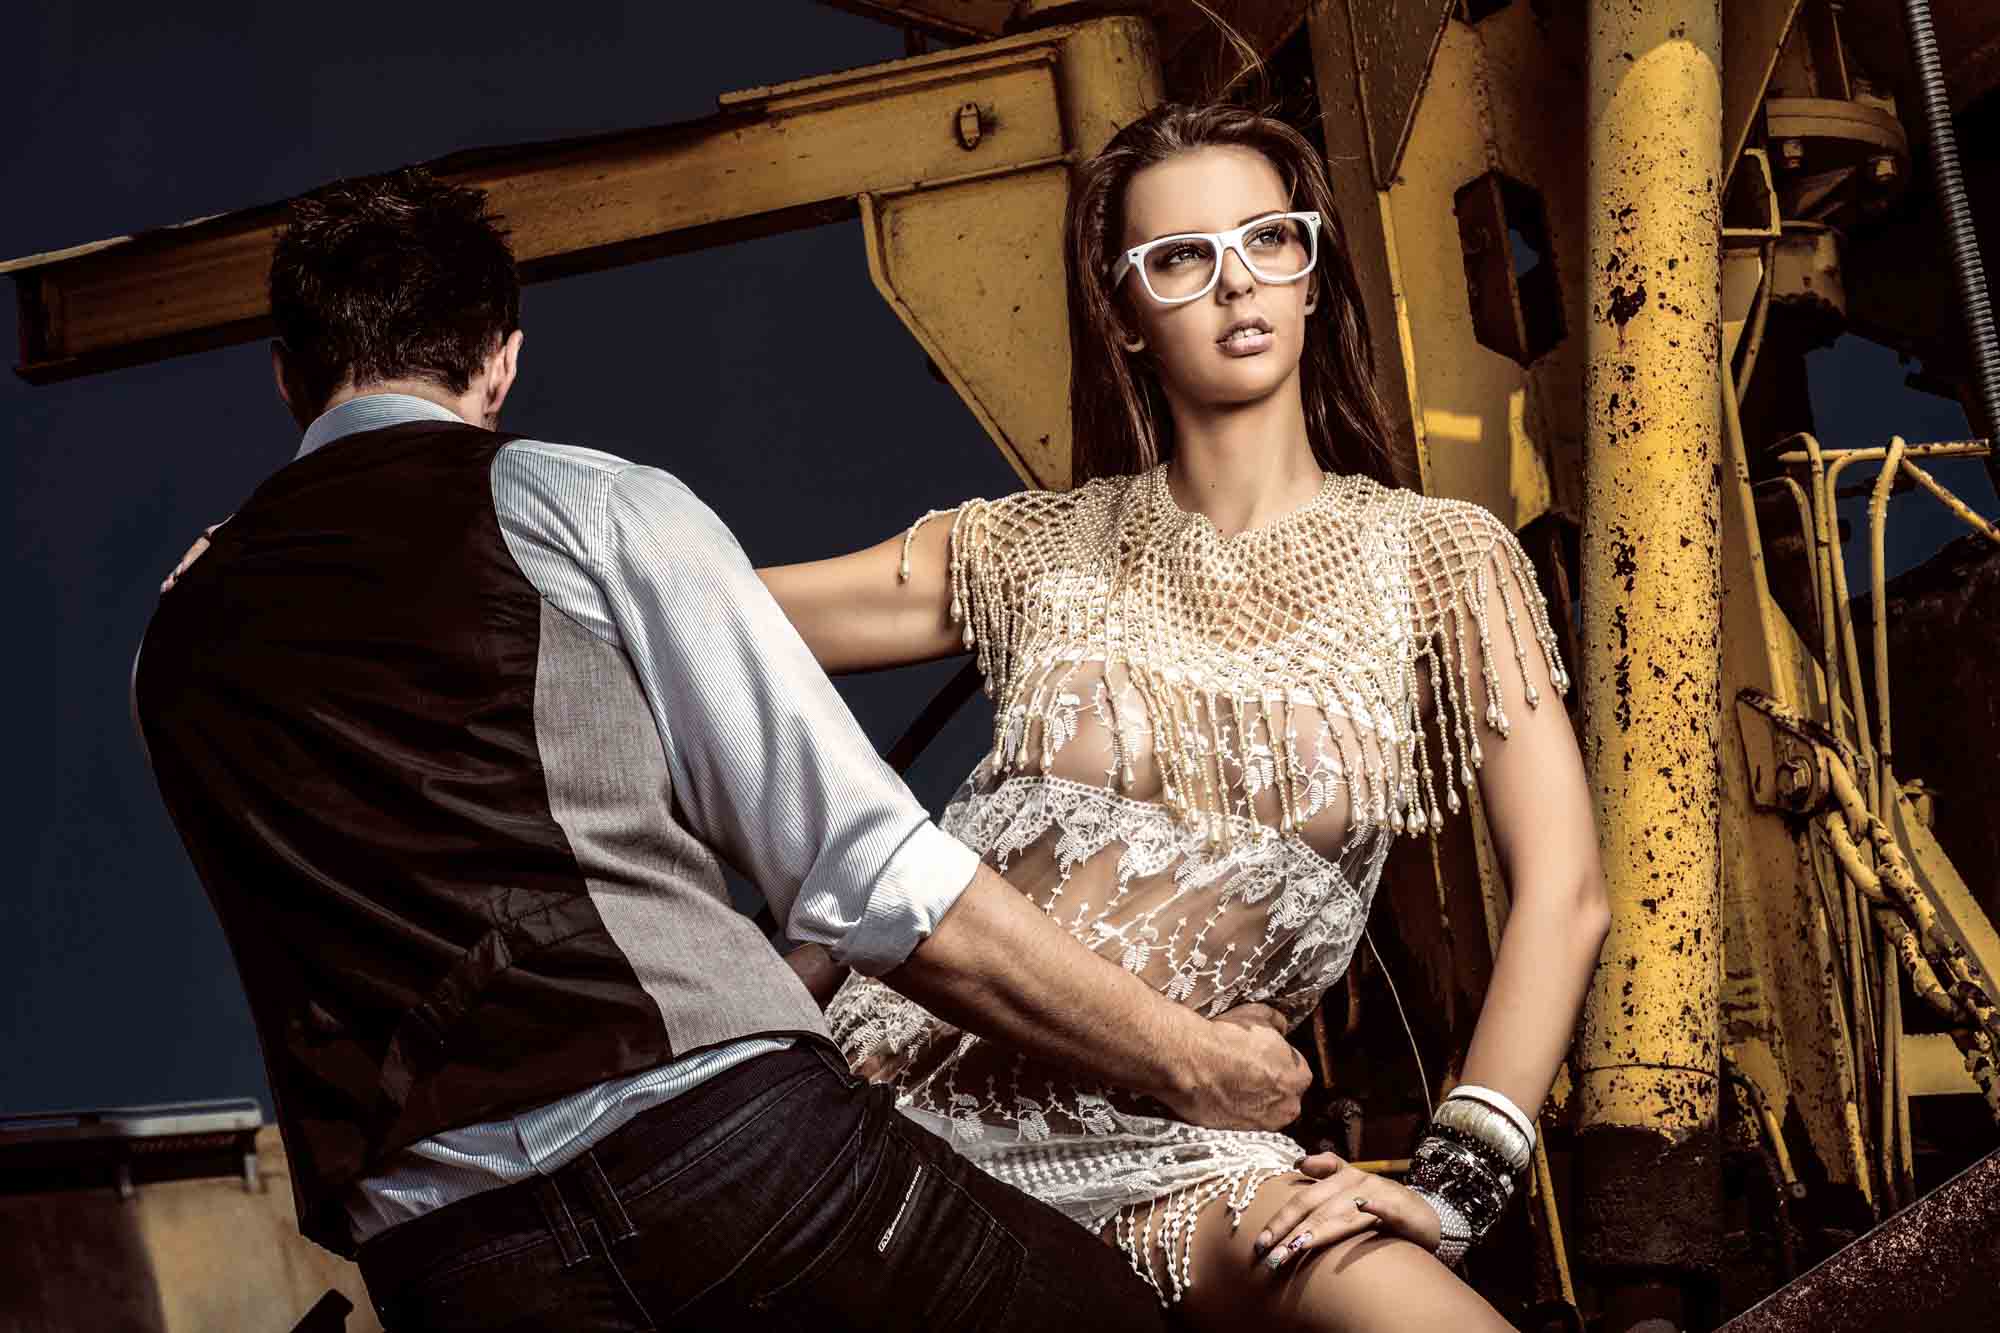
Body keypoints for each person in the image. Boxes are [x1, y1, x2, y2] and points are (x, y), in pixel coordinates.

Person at [134, 166, 1319, 1332]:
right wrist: (1196, 1063)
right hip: (723, 1161)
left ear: (286, 375)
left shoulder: (174, 639)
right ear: (500, 358)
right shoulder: (575, 505)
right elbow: (874, 877)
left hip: (453, 1263)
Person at [757, 101, 1613, 1329]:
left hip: (1174, 1146)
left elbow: (1564, 892)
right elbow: (683, 619)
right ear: (1123, 313)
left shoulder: (1439, 562)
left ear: (1311, 274)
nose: (1235, 284)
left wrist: (1453, 1187)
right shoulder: (1027, 550)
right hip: (883, 1094)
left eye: (1267, 239)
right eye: (1178, 258)